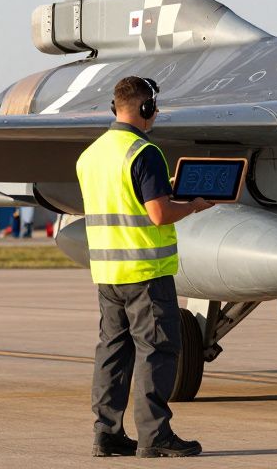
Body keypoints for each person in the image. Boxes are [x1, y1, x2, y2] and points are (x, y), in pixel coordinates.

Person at [76, 76, 213, 458]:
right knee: (157, 350)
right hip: (146, 273)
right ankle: (155, 436)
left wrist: (161, 188)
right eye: (156, 107)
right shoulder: (143, 152)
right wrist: (193, 206)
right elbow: (158, 214)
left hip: (108, 273)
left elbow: (123, 200)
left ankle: (107, 434)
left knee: (113, 352)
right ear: (147, 108)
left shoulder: (92, 155)